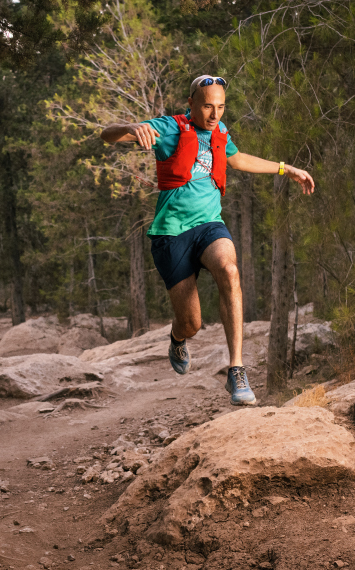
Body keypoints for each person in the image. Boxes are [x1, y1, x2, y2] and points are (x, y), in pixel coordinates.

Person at [100, 75, 315, 406]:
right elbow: (107, 135)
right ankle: (177, 337)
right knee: (192, 323)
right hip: (171, 233)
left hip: (209, 225)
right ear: (191, 104)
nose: (215, 114)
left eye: (221, 107)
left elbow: (238, 159)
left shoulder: (220, 132)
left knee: (229, 270)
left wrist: (286, 169)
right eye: (207, 107)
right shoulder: (169, 128)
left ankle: (236, 371)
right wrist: (131, 125)